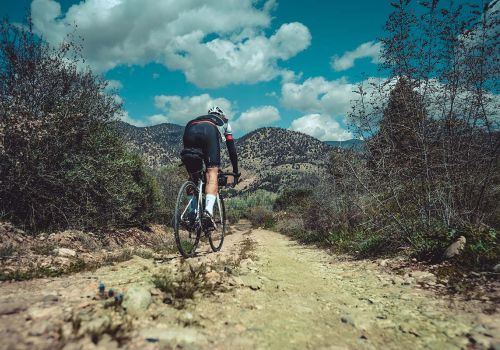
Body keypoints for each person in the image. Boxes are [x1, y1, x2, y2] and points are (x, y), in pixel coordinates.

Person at [181, 106, 239, 229]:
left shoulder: (199, 118)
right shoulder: (224, 123)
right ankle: (208, 212)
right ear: (222, 115)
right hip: (209, 131)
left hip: (189, 128)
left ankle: (192, 213)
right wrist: (235, 171)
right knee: (212, 173)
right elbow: (232, 150)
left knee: (193, 177)